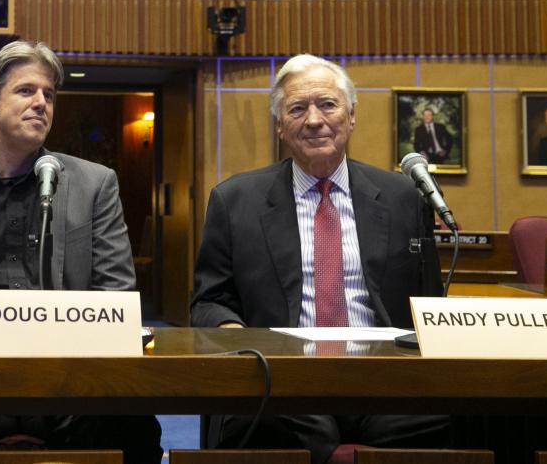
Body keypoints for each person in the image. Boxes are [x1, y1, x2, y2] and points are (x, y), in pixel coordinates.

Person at [0, 40, 162, 464]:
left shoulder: (95, 185)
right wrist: (2, 335)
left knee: (136, 428)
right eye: (26, 91)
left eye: (49, 95)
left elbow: (117, 297)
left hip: (69, 385)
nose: (41, 103)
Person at [191, 54, 447, 464]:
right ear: (280, 125)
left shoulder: (404, 198)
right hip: (286, 384)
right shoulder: (235, 200)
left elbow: (431, 302)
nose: (313, 120)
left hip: (383, 382)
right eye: (296, 108)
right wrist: (235, 334)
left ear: (351, 116)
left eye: (327, 104)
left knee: (467, 416)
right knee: (277, 423)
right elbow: (208, 301)